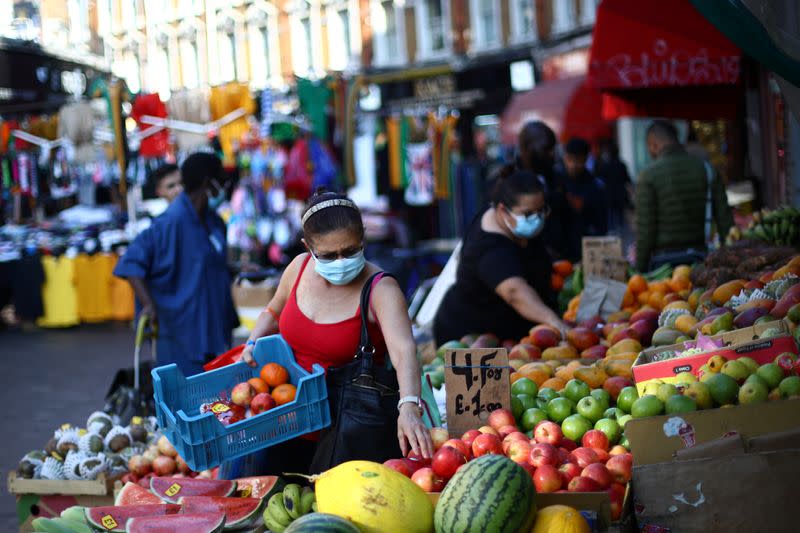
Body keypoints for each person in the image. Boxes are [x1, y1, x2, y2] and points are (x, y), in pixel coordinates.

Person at [240, 190, 433, 474]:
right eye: (329, 255)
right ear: (308, 246)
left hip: (347, 436)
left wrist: (408, 408)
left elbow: (404, 351)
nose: (342, 261)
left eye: (351, 251)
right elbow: (273, 310)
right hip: (281, 423)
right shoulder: (298, 268)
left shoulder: (381, 289)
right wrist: (251, 341)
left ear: (363, 238)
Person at [114, 152, 238, 376]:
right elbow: (131, 263)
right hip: (181, 331)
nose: (225, 186)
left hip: (214, 324)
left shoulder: (215, 221)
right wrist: (148, 305)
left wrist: (235, 269)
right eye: (221, 179)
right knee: (188, 399)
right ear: (207, 182)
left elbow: (204, 264)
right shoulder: (169, 223)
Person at [433, 168, 567, 346]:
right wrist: (553, 321)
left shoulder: (510, 223)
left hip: (517, 338)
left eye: (541, 210)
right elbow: (515, 292)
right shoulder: (489, 249)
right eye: (528, 214)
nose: (537, 218)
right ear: (503, 210)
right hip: (472, 339)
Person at [635, 120, 734, 272]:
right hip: (700, 262)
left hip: (662, 267)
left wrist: (639, 271)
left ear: (653, 143)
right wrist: (731, 262)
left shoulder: (648, 176)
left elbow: (645, 232)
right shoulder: (707, 170)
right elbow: (726, 224)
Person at [516, 121, 567, 258]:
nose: (551, 155)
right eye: (546, 149)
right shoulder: (509, 182)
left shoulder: (558, 178)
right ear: (527, 149)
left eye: (552, 149)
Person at [559, 137, 609, 261]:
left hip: (587, 249)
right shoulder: (557, 182)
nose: (573, 165)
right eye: (569, 160)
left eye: (578, 161)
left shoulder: (596, 186)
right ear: (564, 158)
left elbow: (602, 224)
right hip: (560, 251)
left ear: (586, 159)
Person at [595, 140, 632, 233]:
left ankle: (612, 232)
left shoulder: (605, 165)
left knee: (611, 217)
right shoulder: (621, 164)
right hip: (620, 194)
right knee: (620, 216)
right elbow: (627, 179)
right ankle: (621, 231)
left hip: (609, 194)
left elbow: (598, 176)